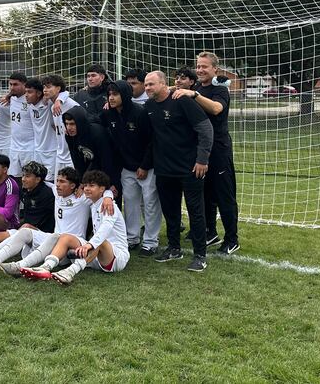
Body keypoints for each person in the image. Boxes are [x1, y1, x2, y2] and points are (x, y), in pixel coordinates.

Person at [144, 70, 214, 272]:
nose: (148, 88)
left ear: (164, 84)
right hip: (164, 169)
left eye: (152, 84)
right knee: (170, 211)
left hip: (190, 168)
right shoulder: (148, 106)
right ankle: (174, 248)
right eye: (146, 85)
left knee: (195, 212)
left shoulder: (182, 100)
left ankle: (200, 255)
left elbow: (205, 129)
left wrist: (202, 159)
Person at [0, 166, 95, 276]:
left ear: (73, 186)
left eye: (62, 182)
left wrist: (107, 197)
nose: (57, 184)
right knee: (25, 230)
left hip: (71, 247)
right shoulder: (55, 192)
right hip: (53, 240)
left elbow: (104, 191)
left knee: (56, 236)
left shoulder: (84, 199)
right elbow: (42, 181)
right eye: (57, 181)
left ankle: (19, 266)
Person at [173, 52, 239, 255]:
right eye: (198, 66)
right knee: (205, 193)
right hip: (200, 150)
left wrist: (194, 95)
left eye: (205, 66)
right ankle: (210, 231)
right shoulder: (197, 88)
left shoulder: (219, 89)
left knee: (224, 195)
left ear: (215, 70)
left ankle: (232, 239)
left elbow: (217, 109)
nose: (200, 70)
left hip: (218, 150)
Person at [20, 170, 128, 285]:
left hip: (116, 257)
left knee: (99, 241)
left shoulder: (109, 205)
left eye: (91, 186)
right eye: (85, 185)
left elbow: (105, 228)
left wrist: (89, 245)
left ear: (102, 189)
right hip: (96, 256)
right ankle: (45, 267)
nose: (86, 188)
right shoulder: (93, 203)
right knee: (65, 237)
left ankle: (69, 272)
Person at [102, 80, 162, 256]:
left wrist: (144, 165)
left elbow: (151, 141)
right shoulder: (108, 113)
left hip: (146, 168)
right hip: (126, 168)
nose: (111, 98)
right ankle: (132, 238)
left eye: (115, 94)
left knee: (150, 203)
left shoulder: (139, 113)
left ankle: (150, 242)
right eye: (109, 95)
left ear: (125, 95)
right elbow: (95, 123)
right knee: (130, 203)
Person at [63, 106, 120, 195]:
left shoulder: (97, 133)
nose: (69, 128)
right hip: (93, 163)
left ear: (80, 123)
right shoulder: (69, 136)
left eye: (72, 124)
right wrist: (82, 182)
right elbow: (77, 161)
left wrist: (110, 184)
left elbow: (107, 160)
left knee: (111, 197)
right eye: (66, 124)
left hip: (113, 166)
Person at [41, 74, 80, 176]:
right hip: (60, 155)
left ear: (58, 88)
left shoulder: (72, 105)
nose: (45, 90)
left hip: (72, 156)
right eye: (44, 87)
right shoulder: (53, 106)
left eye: (49, 87)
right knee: (59, 188)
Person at [3, 72, 35, 179]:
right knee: (14, 179)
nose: (12, 87)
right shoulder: (12, 98)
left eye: (15, 84)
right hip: (14, 147)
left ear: (24, 84)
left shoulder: (32, 100)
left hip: (30, 148)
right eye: (10, 84)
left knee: (30, 178)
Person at [26, 77, 58, 182]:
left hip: (51, 151)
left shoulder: (48, 103)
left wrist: (59, 101)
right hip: (37, 150)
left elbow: (64, 93)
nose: (26, 95)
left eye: (29, 92)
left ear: (39, 93)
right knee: (37, 181)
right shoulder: (30, 106)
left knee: (50, 183)